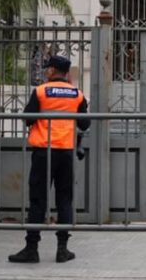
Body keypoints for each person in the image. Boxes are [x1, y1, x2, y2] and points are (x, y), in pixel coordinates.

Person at [9, 55, 89, 264]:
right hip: (66, 152)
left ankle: (31, 248)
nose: (46, 72)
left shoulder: (41, 91)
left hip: (44, 151)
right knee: (64, 200)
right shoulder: (77, 94)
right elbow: (86, 124)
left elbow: (28, 118)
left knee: (38, 200)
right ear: (66, 73)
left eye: (48, 69)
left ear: (53, 71)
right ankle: (62, 250)